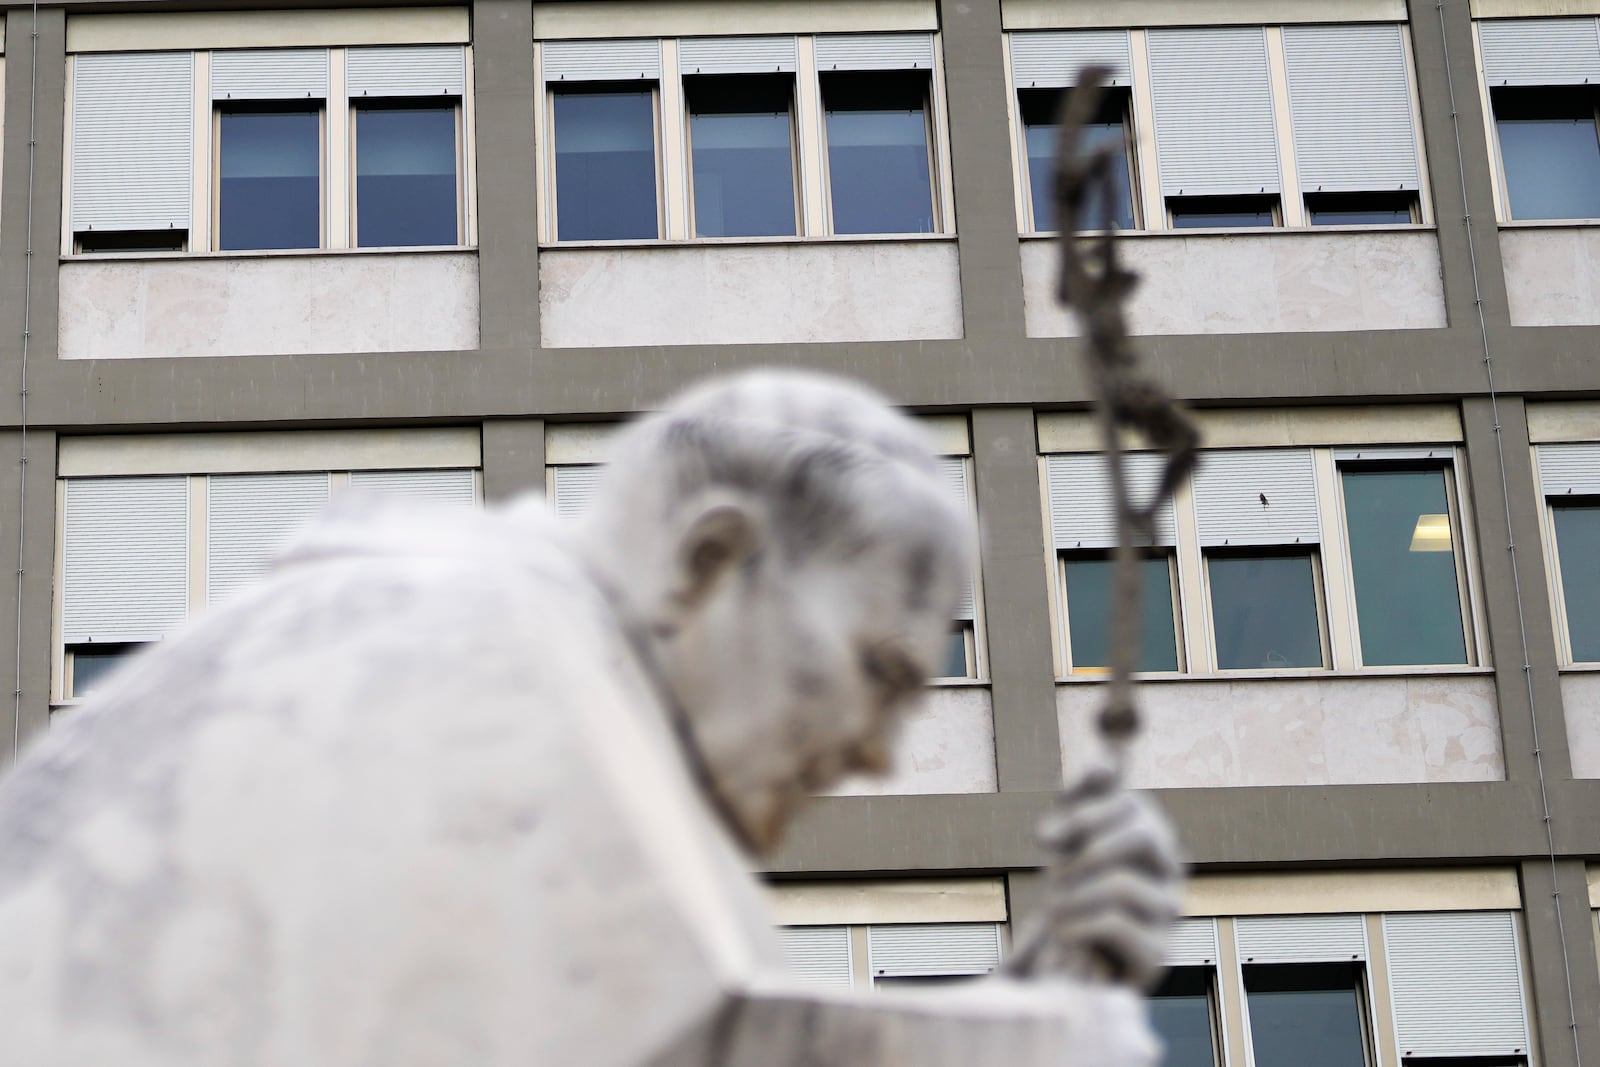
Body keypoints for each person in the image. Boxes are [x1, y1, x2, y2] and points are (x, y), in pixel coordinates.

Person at [0, 371, 1181, 1065]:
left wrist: (1032, 992)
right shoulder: (486, 653)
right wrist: (1044, 1030)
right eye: (878, 669)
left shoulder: (517, 645)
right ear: (710, 558)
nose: (875, 750)